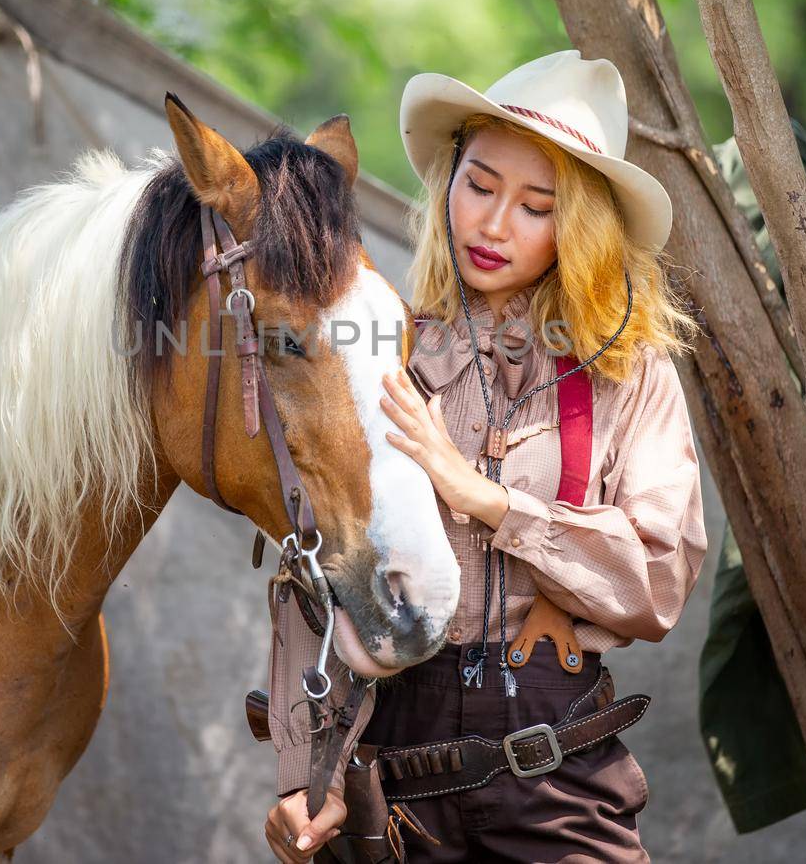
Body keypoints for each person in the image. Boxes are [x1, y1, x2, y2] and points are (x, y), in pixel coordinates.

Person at [263, 49, 708, 863]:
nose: (494, 224)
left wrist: (494, 504)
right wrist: (307, 769)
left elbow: (660, 575)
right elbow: (318, 565)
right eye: (479, 185)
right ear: (449, 185)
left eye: (537, 206)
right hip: (394, 783)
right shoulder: (385, 346)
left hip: (560, 780)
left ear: (580, 227)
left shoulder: (629, 372)